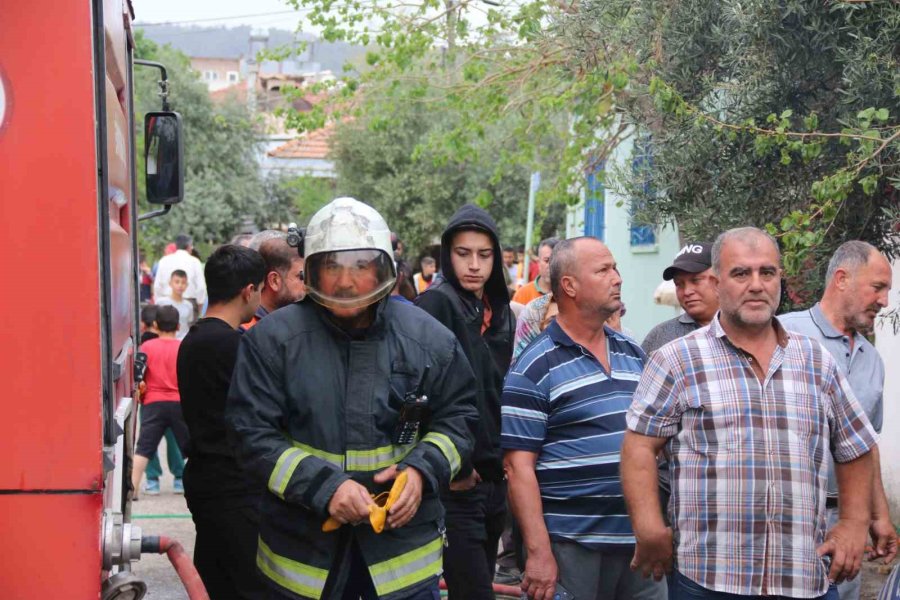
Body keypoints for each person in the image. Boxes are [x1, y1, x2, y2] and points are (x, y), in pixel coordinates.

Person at [226, 197, 479, 600]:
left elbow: (461, 420)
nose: (345, 282)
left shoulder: (430, 341)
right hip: (302, 565)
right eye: (331, 268)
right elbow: (249, 436)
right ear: (310, 270)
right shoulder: (272, 342)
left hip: (403, 565)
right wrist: (324, 489)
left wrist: (420, 471)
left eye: (360, 266)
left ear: (384, 269)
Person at [622, 227, 878, 600]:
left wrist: (855, 523)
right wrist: (648, 527)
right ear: (716, 282)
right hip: (707, 578)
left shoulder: (815, 360)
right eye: (741, 273)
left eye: (767, 273)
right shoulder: (677, 359)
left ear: (780, 280)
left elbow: (855, 445)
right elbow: (639, 447)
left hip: (803, 576)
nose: (756, 284)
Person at [502, 237, 664, 600]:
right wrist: (539, 552)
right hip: (571, 547)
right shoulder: (533, 366)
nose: (617, 278)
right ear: (569, 286)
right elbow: (517, 468)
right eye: (604, 270)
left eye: (616, 267)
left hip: (638, 542)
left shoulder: (632, 353)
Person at [780, 241, 897, 599]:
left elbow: (865, 447)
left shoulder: (871, 359)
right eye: (878, 287)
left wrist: (878, 516)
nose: (885, 301)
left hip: (848, 523)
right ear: (842, 279)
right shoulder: (783, 334)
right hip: (787, 520)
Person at [415, 204, 515, 600]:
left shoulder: (498, 310)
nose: (474, 265)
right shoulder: (436, 305)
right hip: (456, 486)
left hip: (495, 480)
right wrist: (453, 467)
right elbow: (420, 394)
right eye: (463, 253)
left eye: (485, 254)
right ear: (446, 255)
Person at [177, 244, 268, 599]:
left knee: (215, 580)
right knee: (248, 585)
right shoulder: (231, 345)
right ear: (249, 291)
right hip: (233, 486)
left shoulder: (195, 339)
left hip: (205, 477)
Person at [131, 305, 190, 499]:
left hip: (153, 403)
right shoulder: (183, 346)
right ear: (178, 325)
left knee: (144, 448)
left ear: (155, 325)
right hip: (178, 402)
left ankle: (133, 489)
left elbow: (140, 375)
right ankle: (197, 486)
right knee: (190, 448)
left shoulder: (147, 347)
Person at [642, 242, 718, 354]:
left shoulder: (745, 327)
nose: (687, 291)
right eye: (679, 284)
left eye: (695, 280)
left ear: (719, 279)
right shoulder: (660, 337)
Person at [242, 233, 305, 329]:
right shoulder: (248, 330)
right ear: (274, 281)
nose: (307, 286)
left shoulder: (298, 320)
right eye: (301, 277)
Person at [154, 234, 207, 307]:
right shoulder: (195, 262)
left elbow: (157, 286)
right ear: (189, 246)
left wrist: (159, 302)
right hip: (190, 302)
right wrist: (200, 304)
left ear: (176, 246)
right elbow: (201, 287)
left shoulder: (164, 260)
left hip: (166, 304)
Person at [512, 238, 558, 306]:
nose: (551, 265)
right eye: (547, 260)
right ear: (538, 262)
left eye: (557, 260)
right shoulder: (522, 294)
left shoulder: (571, 294)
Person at [156, 270, 195, 339]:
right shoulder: (161, 303)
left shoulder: (189, 305)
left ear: (187, 285)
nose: (180, 285)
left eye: (183, 282)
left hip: (183, 341)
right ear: (170, 283)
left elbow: (189, 323)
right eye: (177, 282)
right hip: (166, 340)